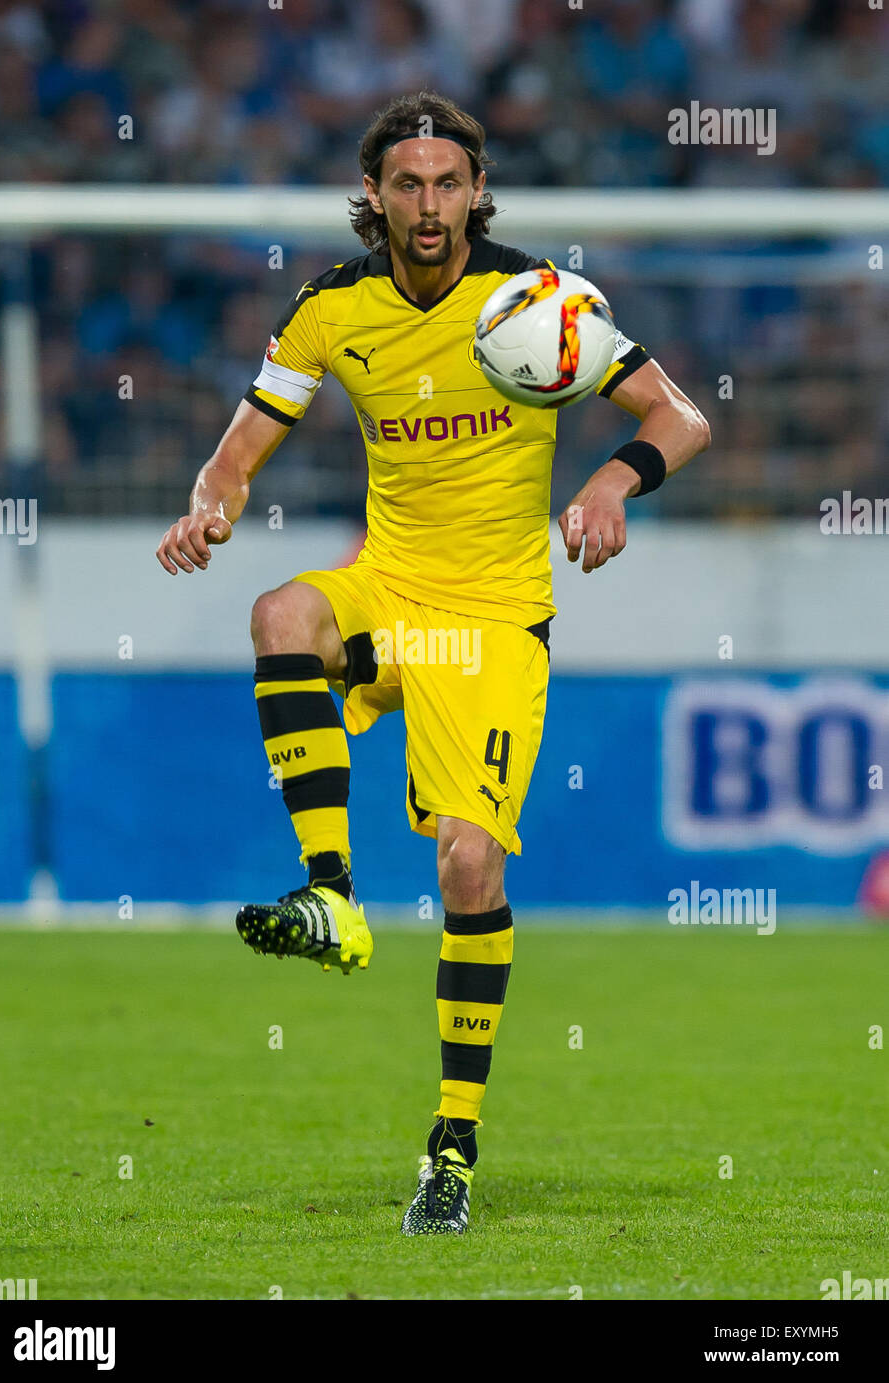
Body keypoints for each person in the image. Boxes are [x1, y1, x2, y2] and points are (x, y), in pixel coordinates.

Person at [156, 90, 711, 1235]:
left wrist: (610, 481)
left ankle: (450, 1145)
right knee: (277, 614)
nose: (427, 204)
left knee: (470, 872)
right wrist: (209, 506)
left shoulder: (538, 302)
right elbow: (238, 451)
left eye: (447, 183)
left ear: (476, 190)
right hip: (391, 587)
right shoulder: (331, 308)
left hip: (496, 621)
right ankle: (333, 895)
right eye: (406, 184)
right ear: (374, 195)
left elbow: (680, 416)